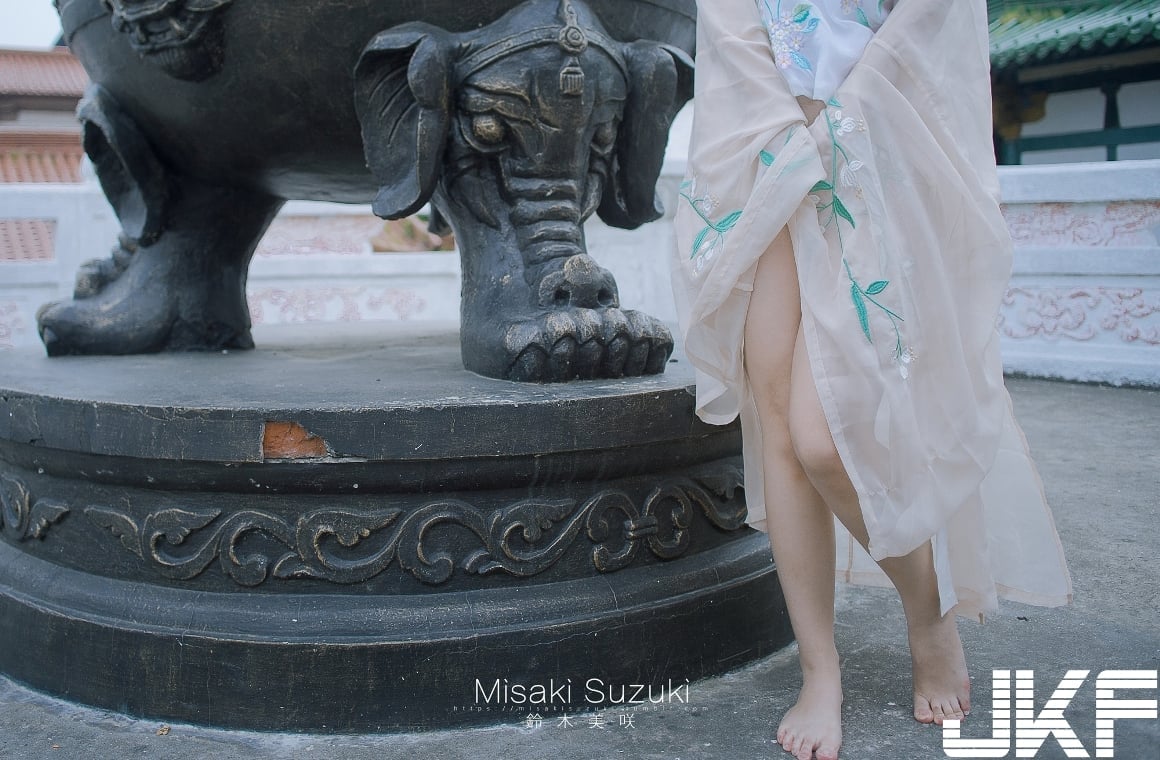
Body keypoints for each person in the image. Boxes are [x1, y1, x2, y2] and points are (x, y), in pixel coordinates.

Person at [670, 2, 1073, 759]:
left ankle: (929, 613)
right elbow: (731, 23)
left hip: (877, 145)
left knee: (823, 441)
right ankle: (819, 671)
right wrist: (787, 136)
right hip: (766, 152)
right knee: (780, 427)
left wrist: (845, 120)